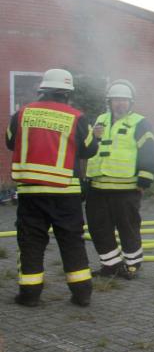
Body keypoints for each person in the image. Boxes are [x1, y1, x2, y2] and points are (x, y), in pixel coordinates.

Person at [5, 69, 99, 307]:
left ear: (41, 90)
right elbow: (89, 150)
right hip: (65, 192)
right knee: (71, 242)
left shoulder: (22, 113)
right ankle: (81, 294)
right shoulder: (77, 117)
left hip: (30, 192)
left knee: (31, 242)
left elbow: (9, 141)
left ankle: (29, 295)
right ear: (67, 94)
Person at [85, 80, 154, 279]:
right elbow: (90, 148)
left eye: (124, 100)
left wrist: (144, 180)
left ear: (131, 102)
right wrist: (94, 138)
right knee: (99, 228)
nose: (120, 104)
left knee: (128, 228)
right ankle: (111, 265)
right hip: (97, 187)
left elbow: (148, 150)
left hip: (126, 188)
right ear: (109, 102)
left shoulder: (140, 122)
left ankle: (132, 266)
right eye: (116, 100)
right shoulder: (100, 119)